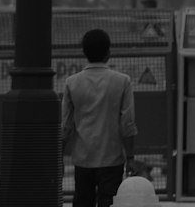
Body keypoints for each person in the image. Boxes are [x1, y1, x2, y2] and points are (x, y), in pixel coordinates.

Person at [59, 28, 138, 207]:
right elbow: (128, 123)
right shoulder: (122, 81)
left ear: (84, 53)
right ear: (108, 52)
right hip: (112, 159)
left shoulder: (72, 82)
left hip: (82, 159)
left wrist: (59, 159)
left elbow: (65, 126)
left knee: (82, 201)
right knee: (109, 202)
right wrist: (131, 157)